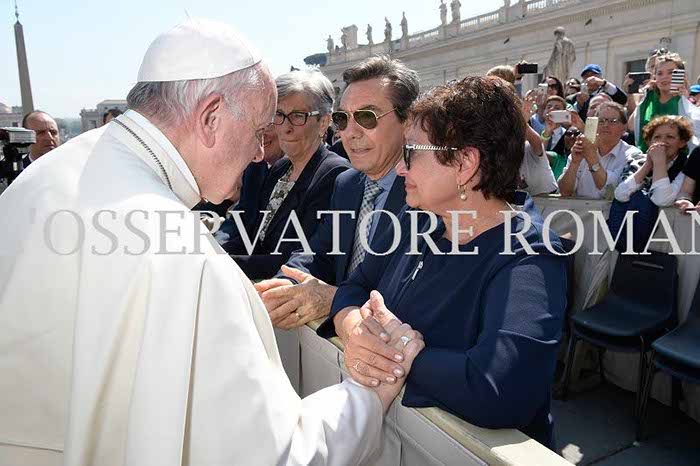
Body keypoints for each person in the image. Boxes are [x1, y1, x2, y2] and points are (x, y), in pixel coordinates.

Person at [0, 19, 425, 466]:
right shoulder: (186, 260)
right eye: (258, 131)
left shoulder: (49, 174)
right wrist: (367, 395)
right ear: (210, 118)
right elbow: (277, 455)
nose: (260, 152)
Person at [318, 76, 567, 449]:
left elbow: (500, 389)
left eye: (411, 153)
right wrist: (354, 329)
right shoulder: (415, 222)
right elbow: (355, 286)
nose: (401, 169)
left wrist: (398, 351)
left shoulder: (529, 255)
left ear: (465, 163)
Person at [254, 56, 417, 329]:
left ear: (408, 121)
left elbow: (409, 294)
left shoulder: (430, 193)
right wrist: (286, 284)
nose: (349, 133)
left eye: (366, 117)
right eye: (343, 119)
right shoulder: (347, 184)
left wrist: (333, 299)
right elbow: (318, 253)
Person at [222, 70, 350, 279]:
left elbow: (297, 258)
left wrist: (223, 263)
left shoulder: (335, 175)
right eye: (279, 115)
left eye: (298, 116)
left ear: (324, 122)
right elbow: (251, 236)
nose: (286, 128)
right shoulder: (280, 169)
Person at [559, 101, 641, 199]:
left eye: (612, 121)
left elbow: (609, 190)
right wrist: (574, 163)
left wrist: (591, 157)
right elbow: (564, 192)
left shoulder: (632, 155)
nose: (605, 125)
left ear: (624, 128)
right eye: (601, 121)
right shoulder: (581, 149)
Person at [616, 115, 693, 206]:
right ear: (649, 142)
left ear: (681, 143)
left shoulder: (687, 165)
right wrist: (647, 165)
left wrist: (659, 163)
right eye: (657, 137)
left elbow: (661, 200)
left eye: (670, 137)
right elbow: (620, 195)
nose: (662, 141)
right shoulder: (638, 160)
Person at [630, 53, 700, 152]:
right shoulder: (648, 98)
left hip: (679, 159)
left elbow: (694, 134)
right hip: (647, 156)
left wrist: (685, 100)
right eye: (659, 73)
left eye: (671, 72)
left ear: (681, 76)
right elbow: (631, 127)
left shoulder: (683, 102)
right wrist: (642, 98)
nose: (664, 77)